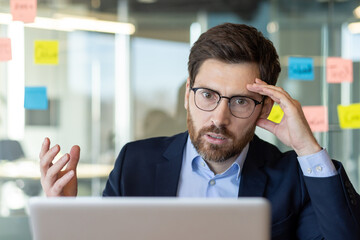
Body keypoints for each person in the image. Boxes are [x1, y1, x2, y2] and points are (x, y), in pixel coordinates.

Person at [39, 23, 360, 239]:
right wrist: (66, 220)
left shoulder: (293, 177)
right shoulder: (135, 162)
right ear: (187, 94)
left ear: (264, 107)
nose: (219, 117)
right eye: (207, 95)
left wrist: (308, 149)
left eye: (240, 101)